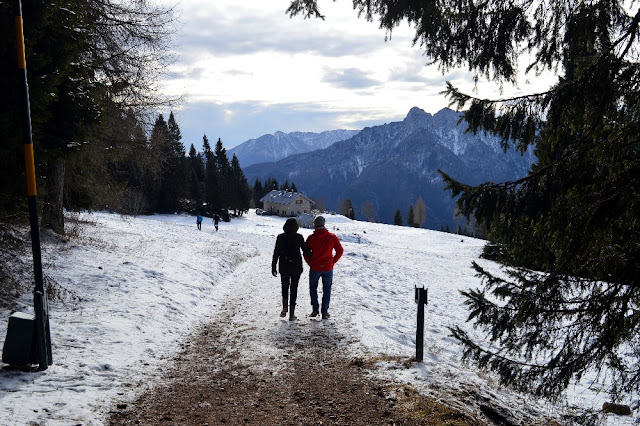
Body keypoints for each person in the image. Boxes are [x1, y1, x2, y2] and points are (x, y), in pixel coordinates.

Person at [304, 216, 343, 320]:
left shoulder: (311, 238)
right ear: (324, 224)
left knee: (313, 288)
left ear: (315, 225)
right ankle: (325, 312)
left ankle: (315, 309)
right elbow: (340, 251)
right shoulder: (332, 237)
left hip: (315, 268)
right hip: (328, 268)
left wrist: (310, 263)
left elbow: (305, 253)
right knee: (327, 290)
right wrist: (332, 262)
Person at [272, 218, 311, 321]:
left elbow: (276, 252)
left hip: (284, 266)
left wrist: (273, 266)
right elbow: (305, 250)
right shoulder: (299, 237)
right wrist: (315, 258)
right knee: (294, 288)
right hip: (296, 267)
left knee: (285, 287)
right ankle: (292, 314)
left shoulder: (280, 237)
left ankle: (285, 307)